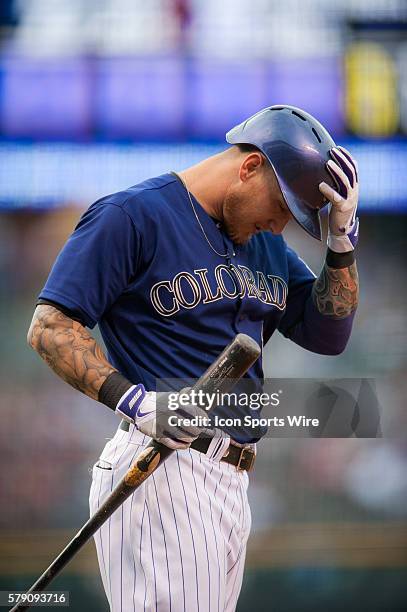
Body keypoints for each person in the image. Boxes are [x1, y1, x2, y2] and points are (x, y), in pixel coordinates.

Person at [27, 105, 359, 611]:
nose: (280, 225)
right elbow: (50, 328)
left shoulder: (264, 247)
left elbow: (328, 333)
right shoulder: (133, 215)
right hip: (163, 465)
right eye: (281, 206)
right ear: (248, 167)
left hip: (228, 480)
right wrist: (136, 402)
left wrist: (339, 243)